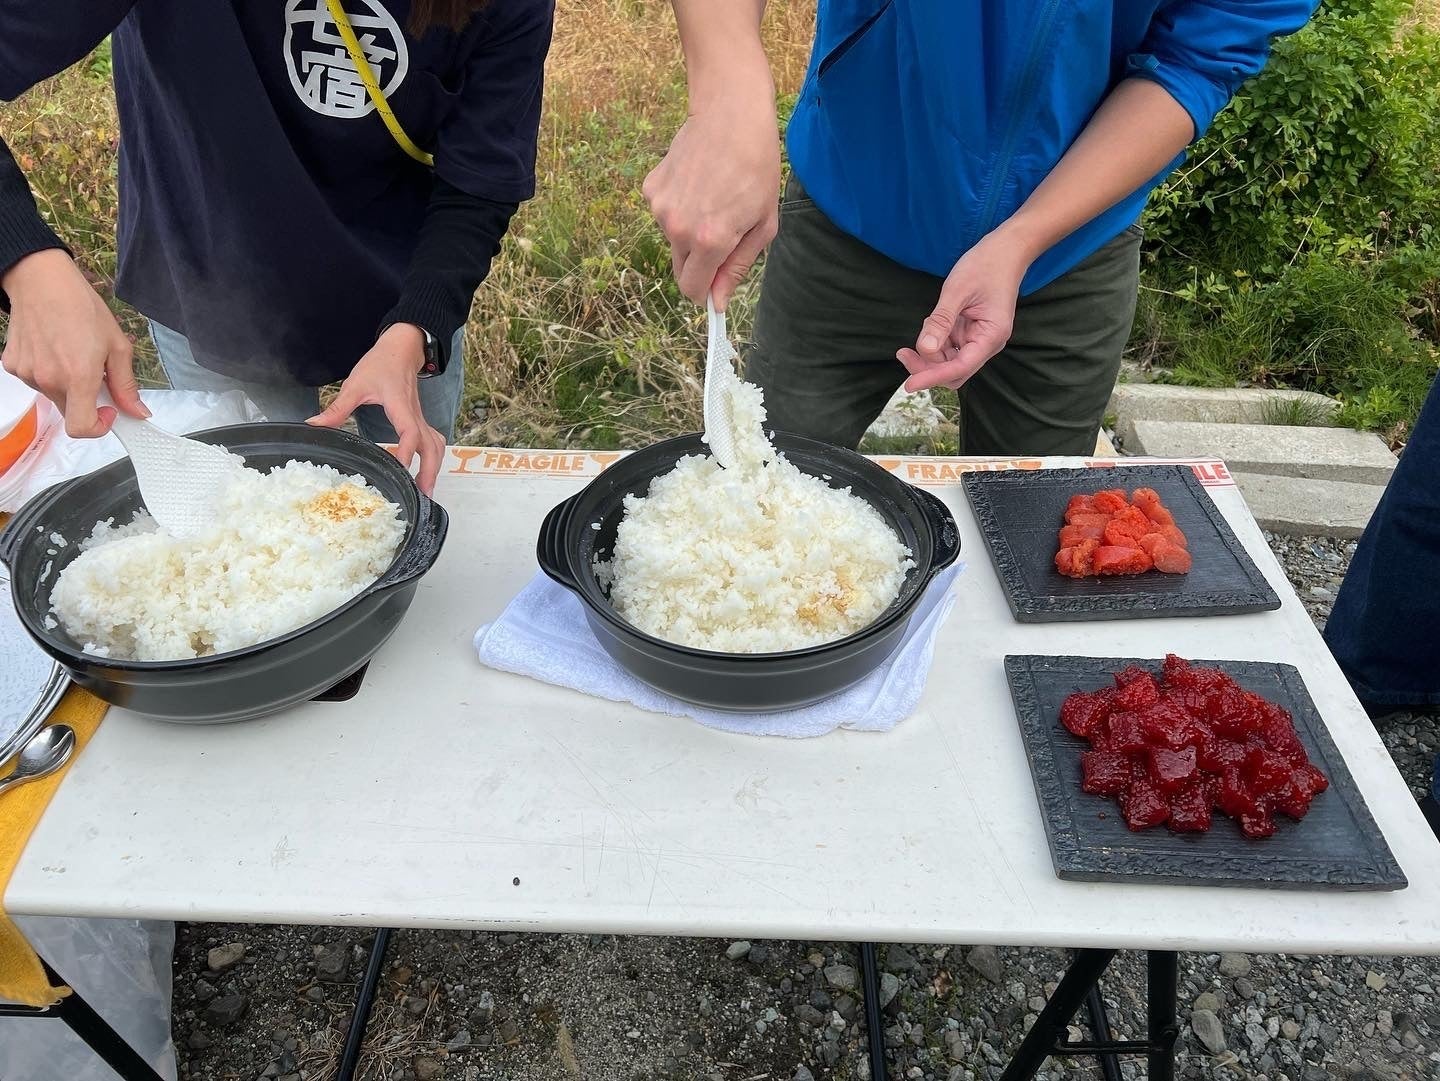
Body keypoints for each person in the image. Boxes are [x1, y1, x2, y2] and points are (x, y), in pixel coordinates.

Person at [645, 0, 1317, 455]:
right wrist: (727, 99)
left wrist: (1024, 238)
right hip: (847, 216)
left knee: (1036, 535)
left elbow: (1197, 58)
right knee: (759, 480)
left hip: (1068, 258)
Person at [0, 0, 554, 494]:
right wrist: (29, 267)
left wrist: (419, 328)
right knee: (249, 506)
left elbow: (477, 184)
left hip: (407, 288)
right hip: (213, 282)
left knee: (415, 490)